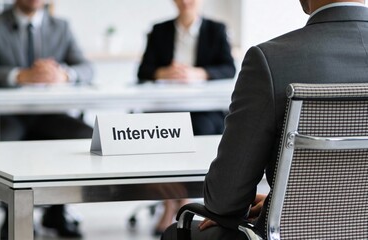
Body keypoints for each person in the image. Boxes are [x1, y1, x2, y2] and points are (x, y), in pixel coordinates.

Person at [162, 0, 368, 239]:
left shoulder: (270, 59)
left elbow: (225, 199)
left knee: (176, 232)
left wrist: (287, 203)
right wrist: (278, 198)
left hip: (286, 233)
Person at [0, 0, 93, 238]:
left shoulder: (61, 27)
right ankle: (12, 215)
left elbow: (87, 68)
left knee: (84, 136)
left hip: (48, 116)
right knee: (6, 142)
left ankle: (57, 211)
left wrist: (64, 74)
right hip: (6, 116)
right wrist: (20, 75)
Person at [137, 0, 236, 136]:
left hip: (204, 107)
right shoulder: (159, 30)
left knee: (200, 127)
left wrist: (199, 73)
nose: (185, 1)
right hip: (164, 105)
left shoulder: (217, 29)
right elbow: (143, 71)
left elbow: (229, 69)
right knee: (147, 128)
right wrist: (164, 73)